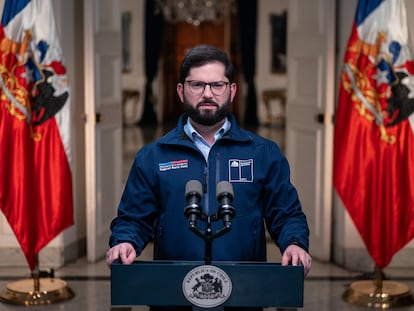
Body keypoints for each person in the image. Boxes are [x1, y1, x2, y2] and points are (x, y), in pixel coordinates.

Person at [107, 44, 312, 310]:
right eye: (197, 85)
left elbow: (286, 214)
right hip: (173, 293)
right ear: (181, 91)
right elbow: (133, 218)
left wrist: (294, 243)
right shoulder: (153, 156)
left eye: (217, 85)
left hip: (244, 291)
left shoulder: (263, 153)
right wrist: (124, 241)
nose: (207, 94)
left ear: (232, 90)